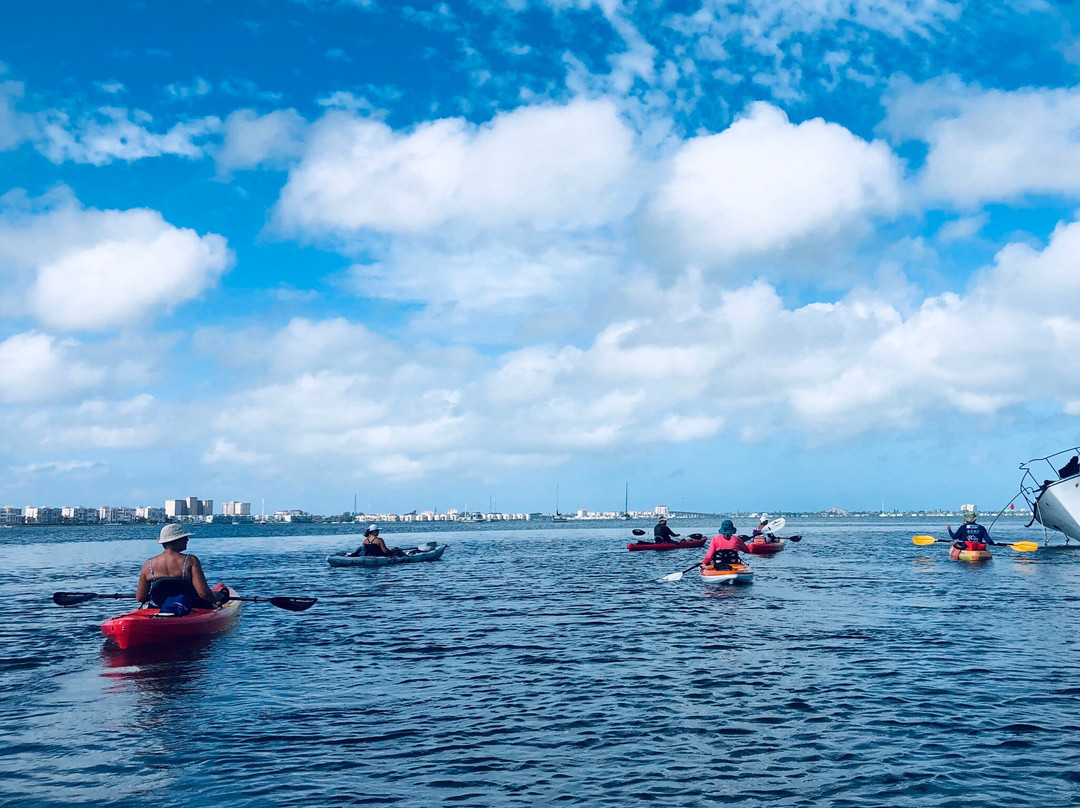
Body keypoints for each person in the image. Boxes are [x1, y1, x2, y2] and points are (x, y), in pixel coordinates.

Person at [135, 524, 227, 615]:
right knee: (223, 595)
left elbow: (140, 598)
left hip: (157, 607)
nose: (187, 540)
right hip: (189, 607)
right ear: (175, 541)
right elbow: (204, 594)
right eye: (184, 538)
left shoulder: (148, 564)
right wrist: (218, 597)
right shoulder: (191, 560)